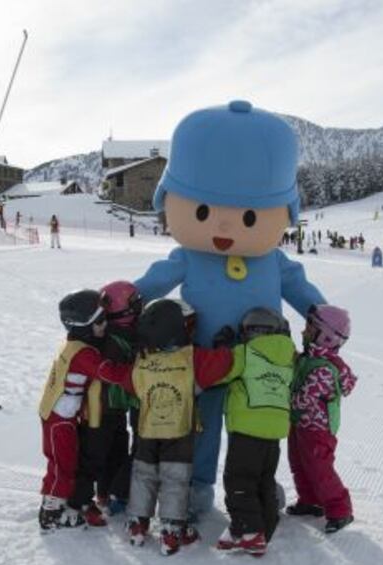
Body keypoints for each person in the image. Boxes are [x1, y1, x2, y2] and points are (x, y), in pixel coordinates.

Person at [133, 101, 326, 519]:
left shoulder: (272, 261)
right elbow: (155, 280)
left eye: (250, 217)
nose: (223, 228)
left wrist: (321, 314)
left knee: (256, 429)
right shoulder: (189, 256)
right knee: (201, 427)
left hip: (262, 365)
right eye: (202, 211)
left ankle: (258, 486)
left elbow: (299, 287)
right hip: (204, 361)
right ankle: (197, 488)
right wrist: (128, 298)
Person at [126, 299, 233, 556]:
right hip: (178, 433)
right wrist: (224, 346)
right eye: (189, 325)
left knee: (143, 475)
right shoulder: (193, 359)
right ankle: (173, 530)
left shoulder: (141, 359)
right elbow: (222, 364)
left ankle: (137, 523)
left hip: (146, 430)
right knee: (175, 479)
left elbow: (128, 383)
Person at [38, 289, 136, 531]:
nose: (105, 325)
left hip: (62, 416)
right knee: (64, 465)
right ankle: (51, 513)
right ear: (83, 327)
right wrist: (140, 369)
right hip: (59, 419)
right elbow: (110, 373)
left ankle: (60, 502)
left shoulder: (74, 344)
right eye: (100, 321)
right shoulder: (84, 354)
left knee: (66, 461)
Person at [215, 308, 296, 557]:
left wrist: (222, 350)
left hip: (247, 429)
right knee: (263, 480)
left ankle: (250, 531)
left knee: (239, 480)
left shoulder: (245, 353)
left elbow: (221, 373)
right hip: (274, 431)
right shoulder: (289, 357)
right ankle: (259, 529)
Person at [67, 281, 143, 525]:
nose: (139, 307)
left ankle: (107, 492)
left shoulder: (126, 334)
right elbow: (111, 372)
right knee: (95, 454)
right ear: (122, 310)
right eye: (134, 303)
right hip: (100, 409)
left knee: (118, 449)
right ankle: (79, 501)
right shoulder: (109, 339)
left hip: (117, 407)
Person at [287, 305, 357, 533]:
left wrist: (280, 401)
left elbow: (304, 398)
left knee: (320, 469)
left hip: (318, 431)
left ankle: (340, 510)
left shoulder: (324, 370)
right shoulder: (309, 358)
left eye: (310, 328)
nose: (304, 331)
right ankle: (310, 501)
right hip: (300, 425)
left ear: (326, 336)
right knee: (299, 464)